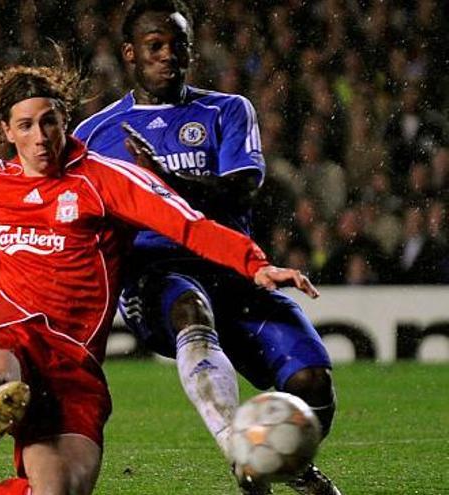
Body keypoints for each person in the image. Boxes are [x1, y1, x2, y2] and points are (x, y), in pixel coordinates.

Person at [0, 61, 318, 495]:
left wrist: (254, 263)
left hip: (75, 361)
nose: (39, 137)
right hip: (14, 332)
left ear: (64, 121)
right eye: (25, 125)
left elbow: (186, 223)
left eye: (49, 122)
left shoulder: (105, 180)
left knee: (55, 492)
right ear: (6, 131)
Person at [72, 1, 340, 494]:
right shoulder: (92, 136)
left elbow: (241, 189)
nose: (167, 55)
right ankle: (241, 457)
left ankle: (285, 464)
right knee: (191, 311)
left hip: (233, 269)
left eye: (178, 45)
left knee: (313, 383)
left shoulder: (227, 110)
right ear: (130, 53)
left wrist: (162, 177)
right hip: (156, 275)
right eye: (154, 45)